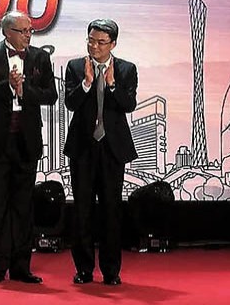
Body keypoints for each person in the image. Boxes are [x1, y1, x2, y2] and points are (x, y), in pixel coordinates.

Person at [0, 11, 57, 284]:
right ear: (6, 32)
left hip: (26, 141)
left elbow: (51, 95)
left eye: (30, 30)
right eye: (22, 31)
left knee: (23, 206)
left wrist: (24, 91)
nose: (28, 35)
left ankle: (22, 266)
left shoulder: (40, 57)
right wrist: (7, 86)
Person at [64, 19, 137, 286]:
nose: (94, 46)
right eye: (91, 40)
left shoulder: (127, 69)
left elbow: (129, 105)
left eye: (101, 42)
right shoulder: (75, 67)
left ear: (113, 44)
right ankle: (83, 269)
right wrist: (86, 82)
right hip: (83, 148)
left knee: (110, 210)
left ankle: (111, 271)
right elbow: (70, 103)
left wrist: (113, 85)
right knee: (82, 210)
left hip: (112, 149)